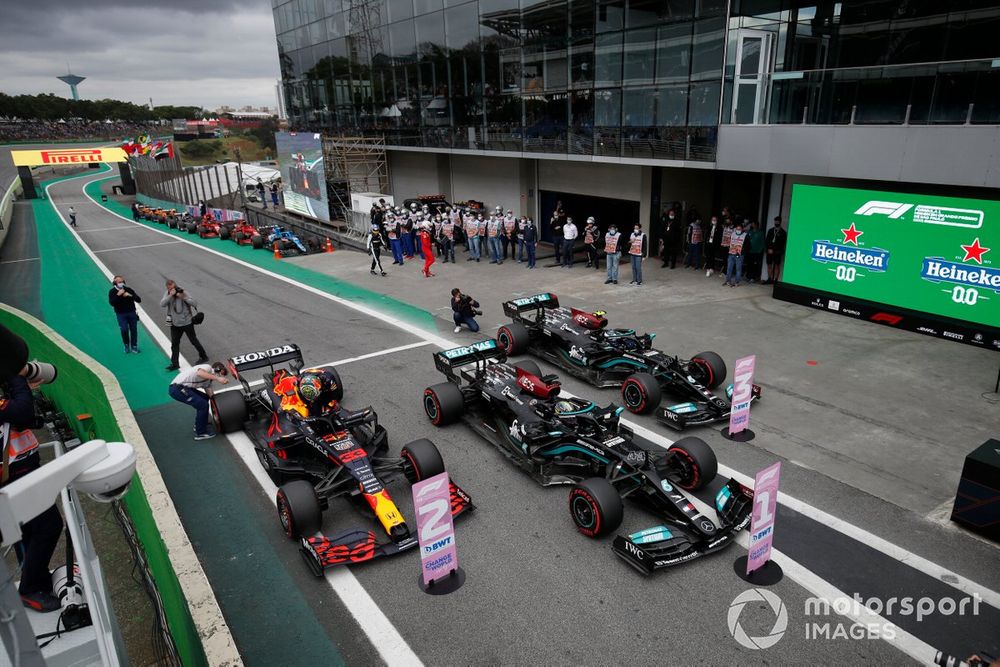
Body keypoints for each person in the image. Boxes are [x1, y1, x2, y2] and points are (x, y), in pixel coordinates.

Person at [0, 326, 63, 612]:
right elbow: (21, 412)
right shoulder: (10, 379)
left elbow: (22, 420)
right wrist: (16, 377)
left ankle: (33, 576)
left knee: (26, 530)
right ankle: (31, 587)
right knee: (49, 525)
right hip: (12, 471)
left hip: (20, 466)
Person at [168, 361, 229, 440]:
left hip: (184, 388)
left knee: (205, 398)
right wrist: (218, 378)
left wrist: (219, 406)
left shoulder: (208, 381)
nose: (222, 376)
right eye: (221, 373)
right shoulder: (207, 367)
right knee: (203, 405)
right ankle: (201, 432)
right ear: (217, 369)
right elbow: (199, 373)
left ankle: (201, 423)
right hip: (177, 389)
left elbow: (211, 395)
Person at [160, 279, 208, 371]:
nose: (172, 290)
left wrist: (183, 297)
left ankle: (204, 356)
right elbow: (162, 304)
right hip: (175, 324)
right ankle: (175, 364)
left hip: (187, 323)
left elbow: (194, 303)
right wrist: (170, 295)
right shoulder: (167, 293)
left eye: (173, 288)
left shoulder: (183, 292)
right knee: (174, 344)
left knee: (193, 340)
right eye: (170, 289)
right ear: (168, 288)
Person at [108, 275, 142, 354]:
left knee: (134, 330)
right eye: (119, 282)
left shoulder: (128, 289)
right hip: (121, 314)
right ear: (115, 283)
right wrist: (118, 295)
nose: (122, 283)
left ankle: (134, 346)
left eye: (122, 282)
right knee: (124, 330)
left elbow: (139, 299)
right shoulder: (112, 292)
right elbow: (112, 303)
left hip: (132, 313)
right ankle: (126, 344)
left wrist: (130, 295)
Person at [724, 220, 747, 287]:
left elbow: (747, 246)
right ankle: (728, 281)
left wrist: (741, 252)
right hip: (731, 254)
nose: (738, 230)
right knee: (729, 268)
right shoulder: (733, 234)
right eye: (737, 229)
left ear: (742, 229)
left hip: (739, 255)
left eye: (739, 229)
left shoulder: (745, 236)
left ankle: (737, 282)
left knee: (738, 269)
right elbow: (730, 242)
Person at [765, 216, 787, 284]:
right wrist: (768, 249)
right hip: (770, 251)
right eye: (775, 221)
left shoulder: (783, 232)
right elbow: (767, 240)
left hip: (777, 252)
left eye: (777, 221)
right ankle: (769, 278)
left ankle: (776, 280)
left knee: (777, 265)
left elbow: (783, 243)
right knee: (769, 265)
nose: (776, 223)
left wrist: (778, 251)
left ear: (780, 222)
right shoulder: (770, 230)